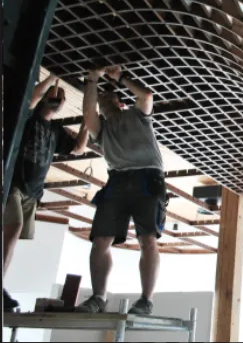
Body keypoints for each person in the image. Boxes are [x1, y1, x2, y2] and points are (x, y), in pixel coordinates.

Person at [76, 66, 166, 315]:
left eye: (109, 97)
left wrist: (120, 77)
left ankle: (146, 300)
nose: (104, 100)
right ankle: (98, 298)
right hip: (117, 180)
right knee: (100, 240)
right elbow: (88, 114)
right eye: (101, 98)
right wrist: (92, 80)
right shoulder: (101, 130)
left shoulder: (138, 116)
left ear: (121, 103)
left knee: (147, 239)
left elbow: (146, 96)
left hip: (148, 179)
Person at [3, 75, 89, 312]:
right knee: (13, 228)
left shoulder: (55, 130)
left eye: (61, 98)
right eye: (54, 96)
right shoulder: (28, 118)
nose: (58, 100)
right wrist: (52, 77)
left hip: (33, 193)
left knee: (11, 237)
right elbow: (31, 98)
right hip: (13, 183)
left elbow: (79, 148)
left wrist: (87, 119)